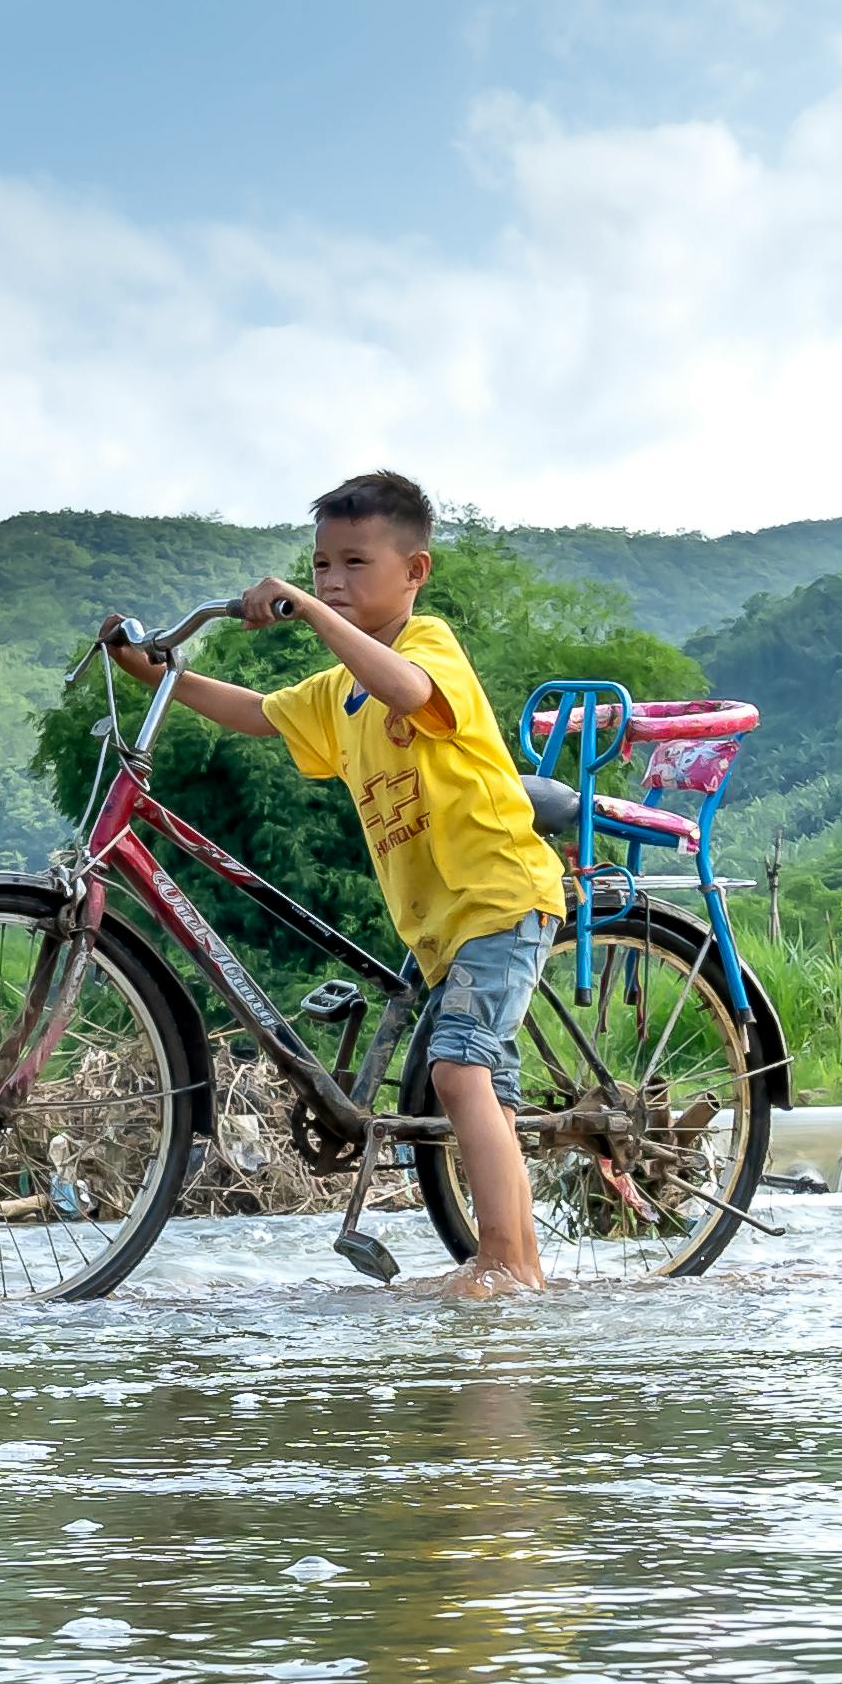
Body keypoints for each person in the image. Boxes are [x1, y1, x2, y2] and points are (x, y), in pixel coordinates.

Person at [106, 470, 564, 1296]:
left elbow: (410, 691)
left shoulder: (428, 646)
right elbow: (257, 710)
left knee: (459, 1075)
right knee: (481, 1090)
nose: (333, 581)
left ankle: (506, 1264)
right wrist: (153, 675)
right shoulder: (336, 693)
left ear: (414, 572)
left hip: (497, 893)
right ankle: (518, 1262)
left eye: (355, 563)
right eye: (320, 566)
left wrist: (313, 614)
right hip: (439, 920)